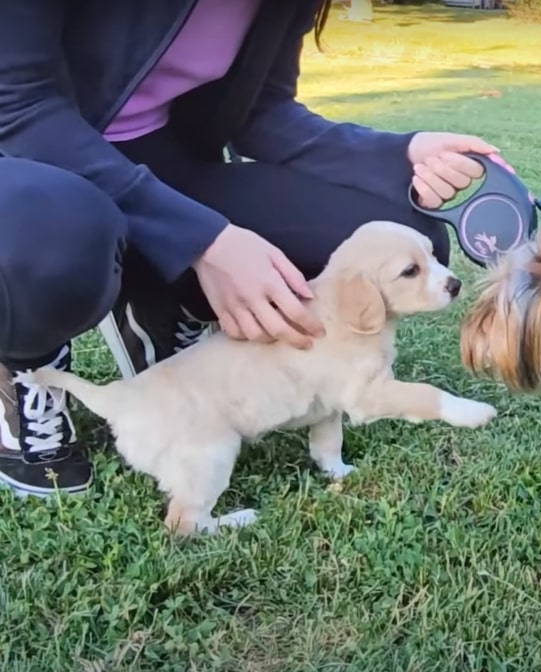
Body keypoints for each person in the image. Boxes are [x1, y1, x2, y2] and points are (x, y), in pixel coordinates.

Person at [0, 0, 514, 497]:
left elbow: (262, 111)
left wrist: (400, 153)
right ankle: (19, 370)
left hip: (167, 162)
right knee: (58, 238)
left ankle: (157, 299)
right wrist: (202, 238)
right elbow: (21, 106)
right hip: (31, 168)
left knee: (396, 231)